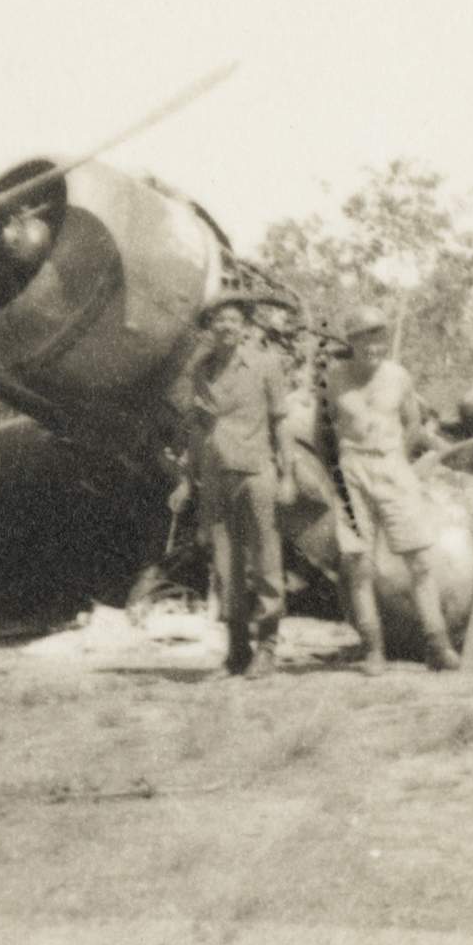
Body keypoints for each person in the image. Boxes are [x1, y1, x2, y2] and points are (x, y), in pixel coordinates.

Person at [323, 305, 457, 673]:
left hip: (392, 466)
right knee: (358, 564)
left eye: (378, 337)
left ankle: (438, 645)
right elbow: (326, 424)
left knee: (420, 560)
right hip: (351, 469)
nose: (373, 346)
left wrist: (397, 456)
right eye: (364, 338)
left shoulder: (398, 376)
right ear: (351, 341)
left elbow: (413, 421)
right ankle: (373, 651)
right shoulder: (334, 377)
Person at [172, 291, 294, 678]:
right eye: (218, 320)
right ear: (210, 327)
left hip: (256, 473)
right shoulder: (202, 371)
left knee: (265, 563)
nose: (226, 326)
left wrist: (288, 474)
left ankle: (268, 648)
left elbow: (281, 422)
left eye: (233, 319)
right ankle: (237, 651)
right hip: (214, 479)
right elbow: (197, 429)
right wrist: (185, 481)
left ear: (245, 326)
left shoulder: (265, 365)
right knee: (227, 568)